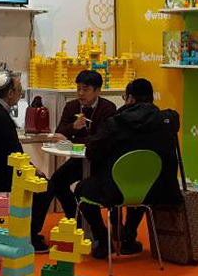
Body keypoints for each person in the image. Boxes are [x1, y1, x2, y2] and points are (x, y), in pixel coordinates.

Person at [75, 78, 184, 259]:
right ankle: (128, 238)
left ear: (130, 98)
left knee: (81, 189)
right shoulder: (168, 120)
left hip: (115, 190)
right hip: (159, 189)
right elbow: (174, 119)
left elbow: (92, 152)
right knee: (140, 181)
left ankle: (103, 239)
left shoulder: (116, 123)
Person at [29, 70, 117, 251]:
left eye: (85, 89)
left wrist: (74, 138)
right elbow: (59, 133)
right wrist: (74, 127)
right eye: (78, 89)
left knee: (84, 190)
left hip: (100, 162)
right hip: (79, 160)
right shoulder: (71, 106)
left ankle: (99, 234)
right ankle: (73, 221)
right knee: (55, 182)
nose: (80, 93)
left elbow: (101, 140)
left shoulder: (108, 108)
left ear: (97, 91)